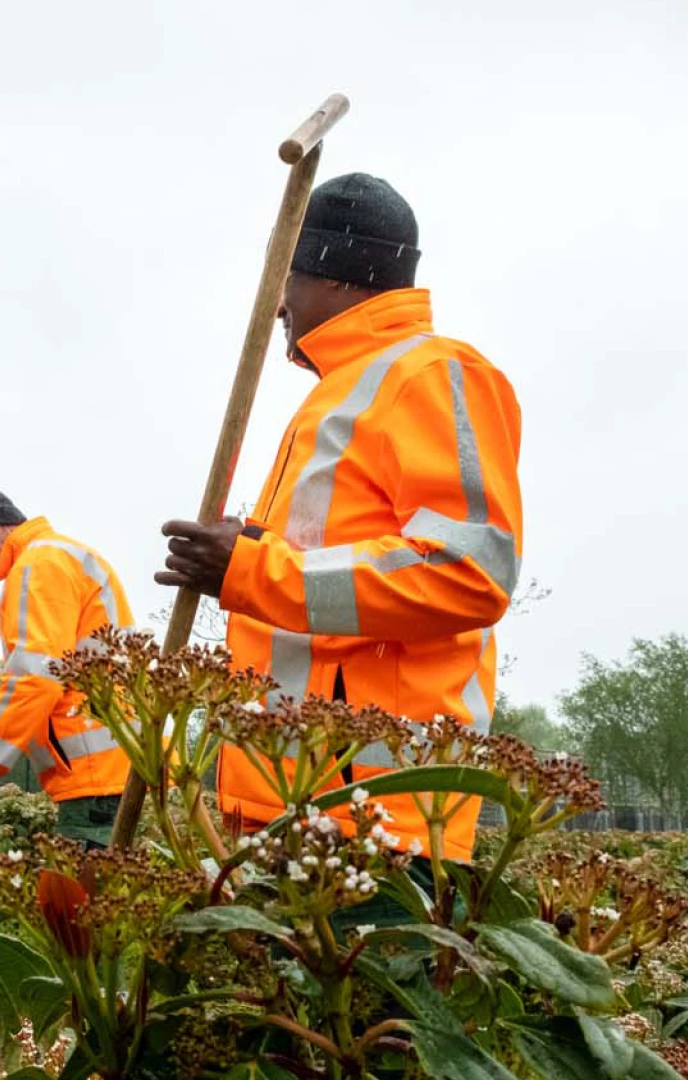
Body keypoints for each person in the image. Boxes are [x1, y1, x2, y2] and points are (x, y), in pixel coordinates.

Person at [157, 172, 522, 865]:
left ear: (332, 277)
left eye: (286, 278)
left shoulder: (429, 374)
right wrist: (249, 551)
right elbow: (335, 559)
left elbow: (468, 572)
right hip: (292, 805)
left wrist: (251, 568)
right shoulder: (340, 394)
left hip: (378, 822)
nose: (277, 305)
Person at [0, 484, 135, 848]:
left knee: (80, 897)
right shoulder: (62, 556)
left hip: (94, 771)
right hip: (117, 763)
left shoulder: (38, 566)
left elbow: (35, 678)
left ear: (2, 523)